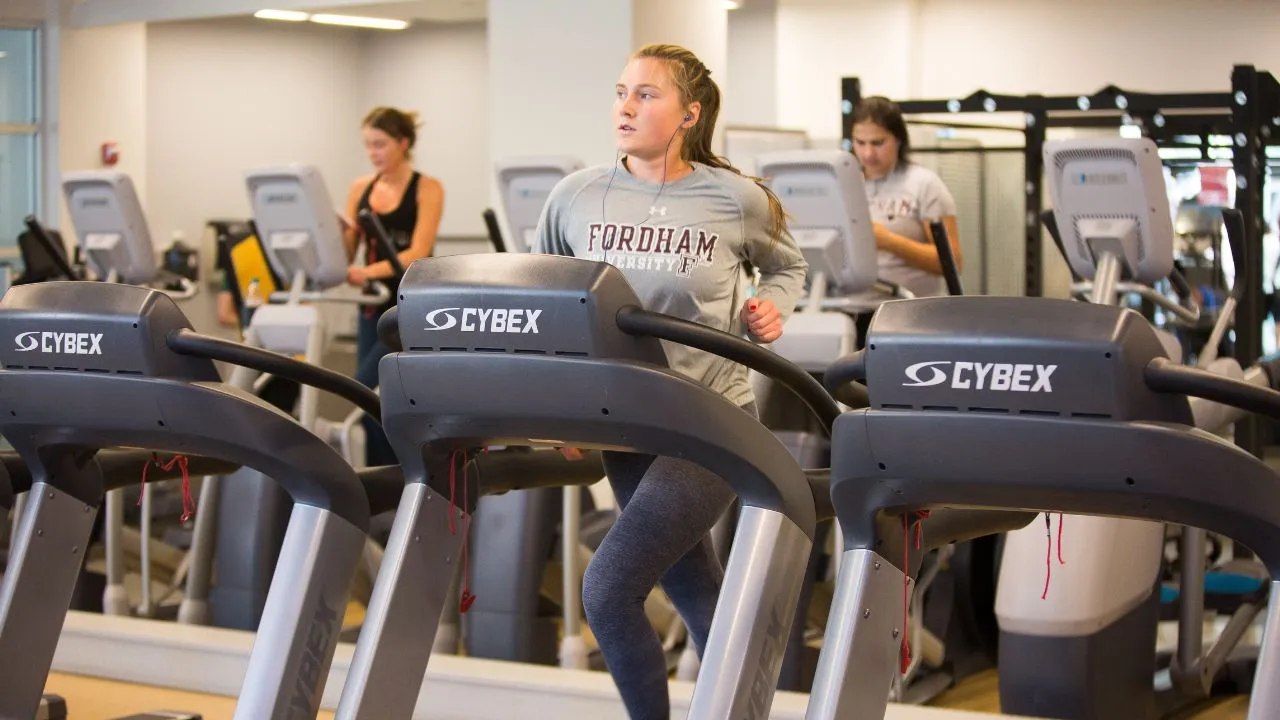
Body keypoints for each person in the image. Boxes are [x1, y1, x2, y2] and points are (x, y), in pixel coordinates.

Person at [534, 43, 807, 719]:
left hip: (709, 421)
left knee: (608, 588)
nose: (626, 106)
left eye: (646, 95)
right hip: (625, 423)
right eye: (621, 91)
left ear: (689, 114)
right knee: (695, 592)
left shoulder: (735, 198)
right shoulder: (575, 196)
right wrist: (558, 410)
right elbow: (548, 301)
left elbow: (788, 268)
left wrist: (775, 307)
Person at [342, 106, 445, 467]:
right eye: (368, 146)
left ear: (403, 143)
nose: (373, 153)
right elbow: (347, 253)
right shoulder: (360, 189)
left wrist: (368, 271)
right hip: (371, 306)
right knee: (368, 400)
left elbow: (418, 251)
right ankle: (381, 479)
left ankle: (401, 476)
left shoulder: (426, 188)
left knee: (373, 389)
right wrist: (332, 235)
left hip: (407, 307)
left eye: (380, 145)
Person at [850, 96, 963, 341]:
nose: (868, 153)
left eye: (878, 142)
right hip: (852, 311)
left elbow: (953, 262)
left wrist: (889, 241)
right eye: (860, 142)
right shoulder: (845, 184)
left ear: (898, 140)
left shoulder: (924, 184)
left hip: (912, 316)